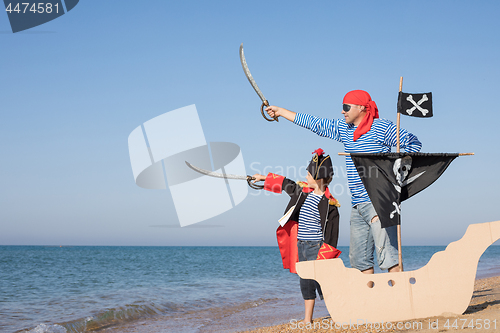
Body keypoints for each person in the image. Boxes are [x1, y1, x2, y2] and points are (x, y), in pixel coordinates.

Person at [265, 90, 422, 275]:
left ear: (362, 107)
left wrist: (393, 167)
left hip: (380, 202)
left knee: (389, 257)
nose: (342, 111)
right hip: (357, 206)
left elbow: (413, 143)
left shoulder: (382, 128)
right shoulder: (345, 130)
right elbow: (316, 124)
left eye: (346, 107)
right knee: (359, 262)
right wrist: (281, 112)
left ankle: (398, 299)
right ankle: (368, 302)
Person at [253, 148, 341, 325]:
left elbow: (332, 233)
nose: (306, 176)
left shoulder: (330, 204)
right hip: (301, 245)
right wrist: (262, 178)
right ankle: (308, 319)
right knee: (306, 281)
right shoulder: (302, 192)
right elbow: (286, 183)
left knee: (323, 282)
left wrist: (328, 253)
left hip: (317, 247)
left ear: (319, 178)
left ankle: (338, 312)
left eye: (309, 174)